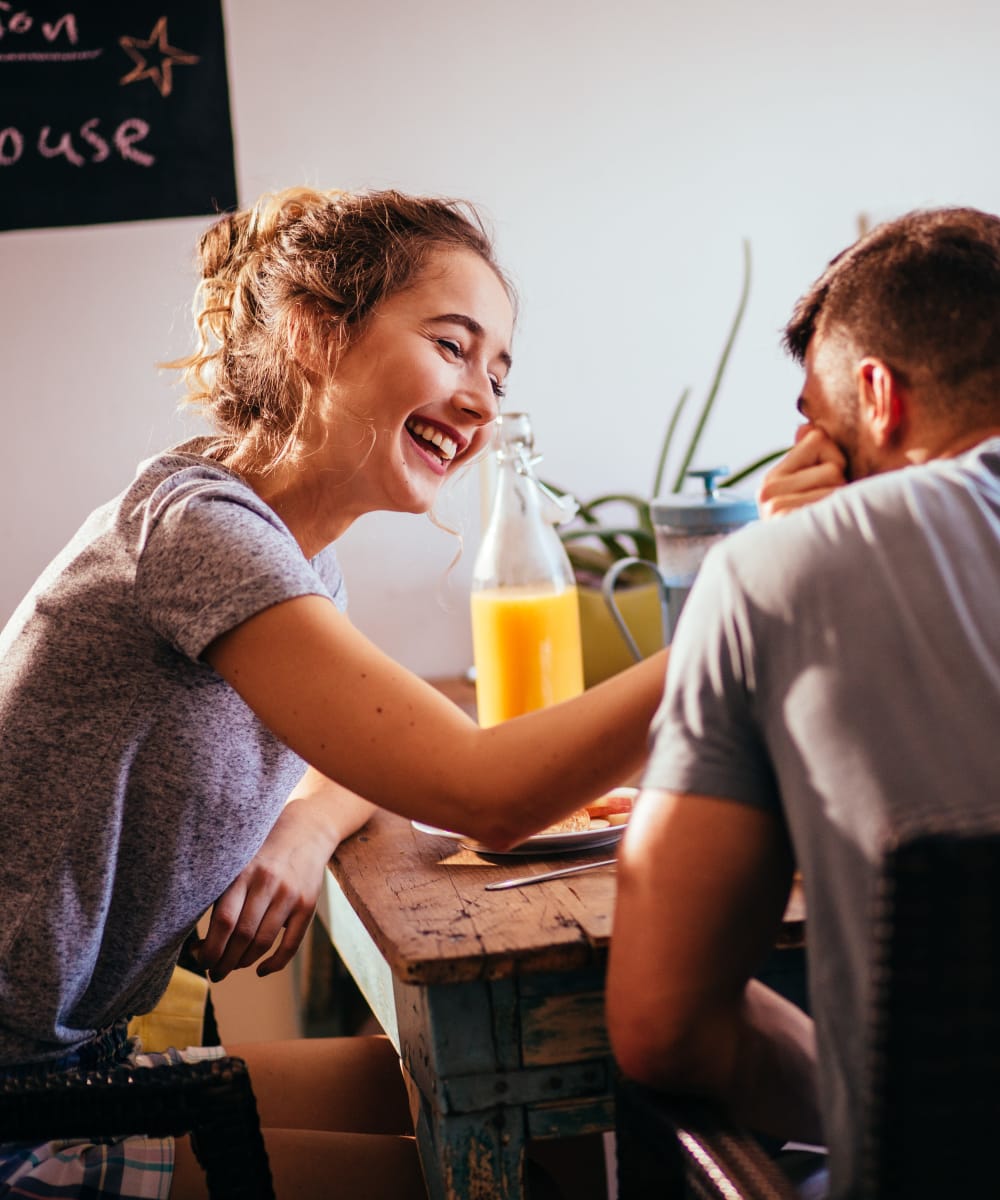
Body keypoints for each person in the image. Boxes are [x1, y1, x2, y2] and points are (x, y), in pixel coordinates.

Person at [0, 186, 668, 1199]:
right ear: (316, 335)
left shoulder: (293, 563)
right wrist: (752, 613)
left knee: (531, 1106)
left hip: (74, 1065)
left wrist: (303, 833)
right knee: (516, 1167)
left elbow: (360, 757)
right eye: (452, 348)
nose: (484, 402)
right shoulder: (198, 532)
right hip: (26, 1107)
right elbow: (480, 786)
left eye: (497, 370)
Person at [606, 206, 1000, 1198]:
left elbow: (665, 1026)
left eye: (817, 424)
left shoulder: (780, 571)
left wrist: (787, 559)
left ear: (877, 397)